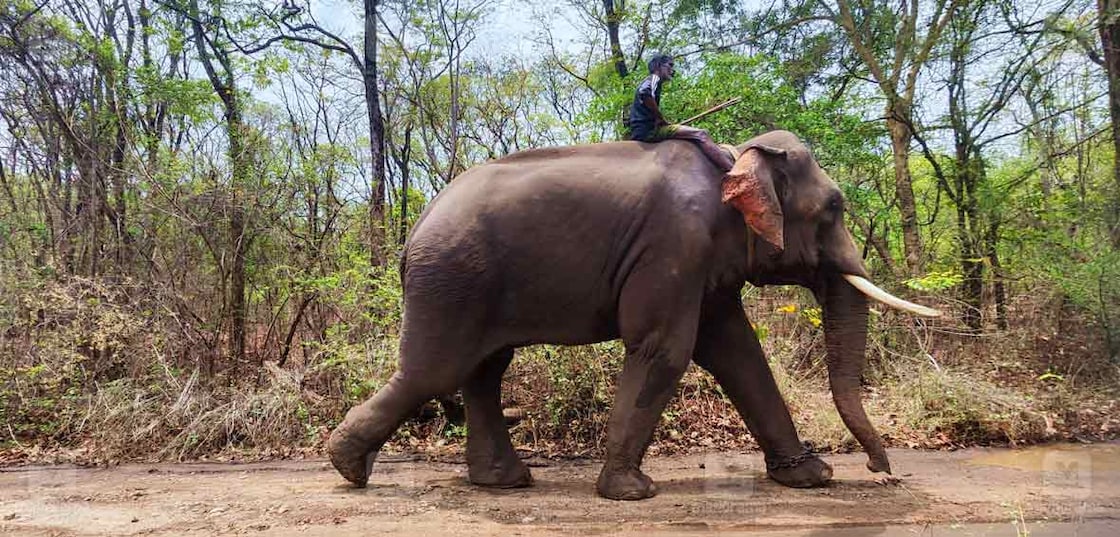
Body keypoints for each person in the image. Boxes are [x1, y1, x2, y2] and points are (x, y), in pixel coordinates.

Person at [629, 54, 734, 171]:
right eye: (670, 65)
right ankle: (733, 171)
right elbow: (645, 92)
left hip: (643, 129)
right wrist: (660, 118)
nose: (672, 70)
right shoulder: (654, 78)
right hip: (649, 131)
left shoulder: (654, 82)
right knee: (701, 134)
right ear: (659, 66)